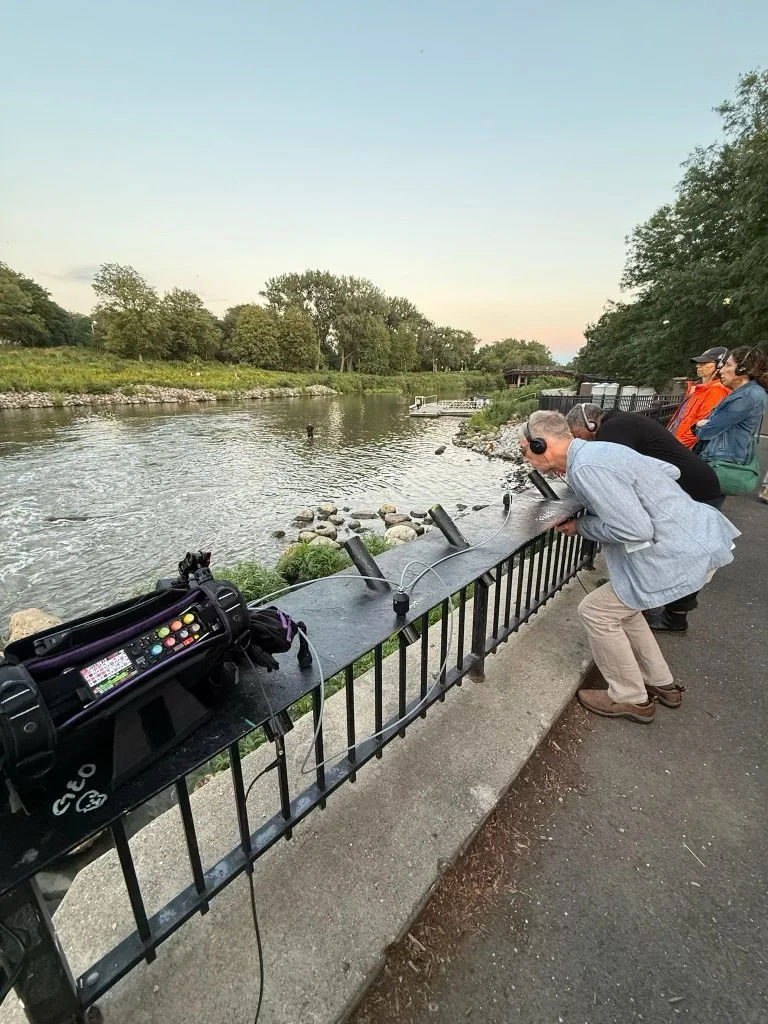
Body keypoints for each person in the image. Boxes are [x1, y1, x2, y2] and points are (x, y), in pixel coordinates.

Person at [519, 411, 739, 724]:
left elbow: (636, 531)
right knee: (625, 607)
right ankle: (662, 684)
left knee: (595, 611)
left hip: (679, 553)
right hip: (699, 539)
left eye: (524, 450)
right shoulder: (601, 450)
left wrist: (582, 526)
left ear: (540, 444)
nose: (525, 457)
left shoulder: (587, 466)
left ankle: (630, 698)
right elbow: (671, 470)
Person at [565, 403, 723, 633]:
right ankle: (642, 594)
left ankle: (675, 617)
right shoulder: (622, 422)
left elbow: (612, 476)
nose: (580, 443)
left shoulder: (612, 432)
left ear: (590, 424)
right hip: (695, 483)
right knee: (676, 550)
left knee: (683, 554)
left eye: (578, 436)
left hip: (695, 489)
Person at [692, 346, 768, 466]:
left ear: (742, 369)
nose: (721, 370)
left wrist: (700, 423)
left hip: (722, 463)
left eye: (728, 365)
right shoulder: (745, 393)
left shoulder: (747, 397)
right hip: (721, 459)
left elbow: (706, 431)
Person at [667, 347, 729, 448]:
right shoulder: (699, 389)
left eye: (704, 363)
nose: (698, 366)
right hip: (678, 443)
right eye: (699, 363)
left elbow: (700, 428)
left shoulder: (716, 391)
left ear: (719, 365)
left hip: (685, 448)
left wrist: (675, 447)